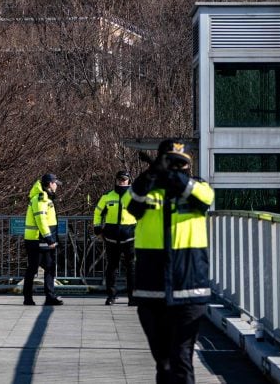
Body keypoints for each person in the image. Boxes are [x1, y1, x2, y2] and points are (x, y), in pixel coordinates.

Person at [127, 139, 214, 384]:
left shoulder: (198, 186)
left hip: (189, 288)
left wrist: (174, 177)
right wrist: (151, 173)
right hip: (151, 288)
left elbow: (206, 198)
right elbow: (131, 203)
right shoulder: (147, 188)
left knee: (181, 357)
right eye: (170, 163)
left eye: (181, 164)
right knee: (163, 362)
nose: (176, 168)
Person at [92, 170, 137, 305]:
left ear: (129, 180)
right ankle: (111, 296)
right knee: (112, 267)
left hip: (130, 237)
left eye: (124, 179)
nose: (121, 181)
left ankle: (132, 297)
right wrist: (97, 228)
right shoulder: (107, 196)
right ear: (116, 180)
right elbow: (98, 212)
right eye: (119, 179)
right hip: (112, 237)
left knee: (132, 267)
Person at [22, 172, 63, 306]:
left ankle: (49, 297)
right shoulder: (40, 199)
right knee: (33, 269)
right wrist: (49, 238)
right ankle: (28, 298)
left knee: (49, 267)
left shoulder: (45, 198)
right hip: (37, 240)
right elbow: (41, 220)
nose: (57, 186)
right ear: (50, 184)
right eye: (55, 183)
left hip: (41, 239)